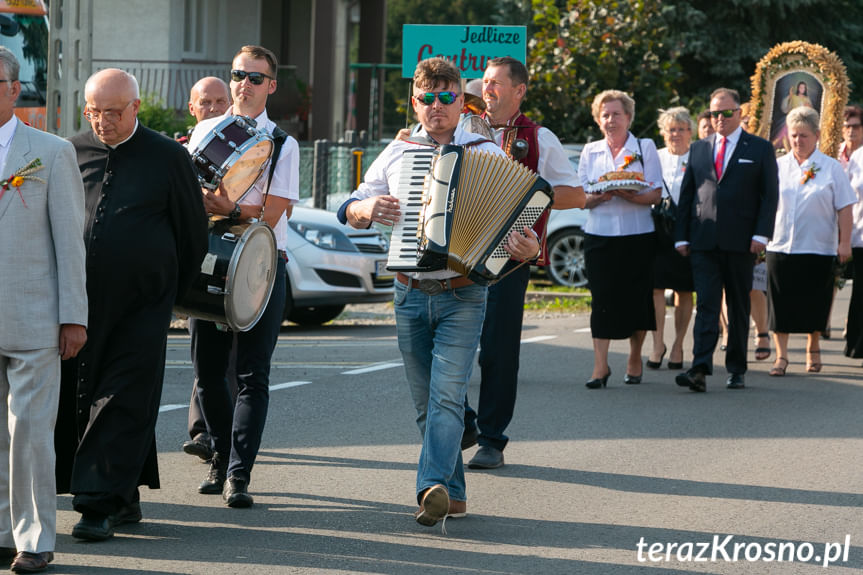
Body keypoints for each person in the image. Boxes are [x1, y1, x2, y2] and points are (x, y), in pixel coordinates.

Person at [338, 57, 537, 527]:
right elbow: (347, 206)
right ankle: (456, 494)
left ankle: (429, 487)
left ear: (460, 101)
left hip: (463, 294)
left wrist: (525, 248)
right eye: (427, 98)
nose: (437, 107)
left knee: (447, 398)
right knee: (428, 404)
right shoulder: (399, 149)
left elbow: (516, 226)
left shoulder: (485, 151)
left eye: (447, 97)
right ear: (415, 102)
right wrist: (366, 208)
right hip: (407, 291)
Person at [55, 68, 208, 541]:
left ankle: (96, 505)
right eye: (94, 112)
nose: (104, 121)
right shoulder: (70, 152)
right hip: (78, 305)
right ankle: (124, 496)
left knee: (121, 399)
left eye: (114, 112)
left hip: (142, 307)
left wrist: (166, 294)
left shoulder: (168, 156)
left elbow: (192, 235)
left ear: (136, 108)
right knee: (80, 399)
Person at [187, 45, 298, 508]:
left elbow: (271, 216)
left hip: (261, 266)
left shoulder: (283, 143)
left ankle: (239, 473)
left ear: (271, 85)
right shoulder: (203, 130)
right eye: (238, 75)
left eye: (255, 78)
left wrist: (229, 207)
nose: (244, 85)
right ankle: (218, 453)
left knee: (253, 374)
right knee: (209, 372)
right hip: (210, 258)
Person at [461, 57, 584, 470]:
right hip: (455, 254)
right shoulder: (460, 128)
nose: (488, 89)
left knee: (497, 352)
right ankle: (463, 421)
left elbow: (575, 195)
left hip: (507, 259)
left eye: (496, 83)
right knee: (439, 344)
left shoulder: (538, 137)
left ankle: (492, 439)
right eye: (485, 82)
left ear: (520, 91)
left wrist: (531, 197)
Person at [0, 46, 87, 574]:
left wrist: (73, 315)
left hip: (34, 314)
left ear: (13, 89)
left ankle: (35, 539)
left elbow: (70, 242)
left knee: (31, 433)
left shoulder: (49, 152)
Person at [674, 87, 779, 392]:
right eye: (714, 113)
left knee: (737, 306)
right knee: (706, 303)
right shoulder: (700, 148)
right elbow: (687, 195)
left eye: (726, 112)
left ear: (739, 113)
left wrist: (761, 234)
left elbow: (769, 196)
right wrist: (681, 236)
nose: (719, 118)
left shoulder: (758, 148)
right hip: (704, 241)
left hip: (742, 241)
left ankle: (736, 368)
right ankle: (700, 368)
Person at [579, 90, 662, 388]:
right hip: (599, 235)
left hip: (638, 235)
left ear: (628, 117)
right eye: (605, 115)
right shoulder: (591, 151)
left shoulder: (645, 147)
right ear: (598, 120)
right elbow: (581, 197)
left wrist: (630, 195)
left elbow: (654, 193)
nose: (611, 120)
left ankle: (635, 356)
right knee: (601, 298)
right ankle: (600, 366)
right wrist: (601, 196)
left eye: (616, 114)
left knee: (637, 299)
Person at [765, 107, 854, 376]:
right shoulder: (778, 166)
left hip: (817, 245)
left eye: (804, 135)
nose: (798, 141)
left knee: (815, 299)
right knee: (780, 301)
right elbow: (766, 203)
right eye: (793, 135)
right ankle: (781, 356)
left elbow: (845, 207)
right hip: (781, 244)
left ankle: (812, 350)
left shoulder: (830, 167)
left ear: (816, 135)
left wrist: (844, 242)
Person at [181, 76, 232, 463]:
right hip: (199, 259)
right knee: (205, 355)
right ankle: (204, 433)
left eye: (220, 102)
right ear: (192, 108)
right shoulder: (179, 152)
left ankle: (226, 440)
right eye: (206, 103)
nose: (213, 109)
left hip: (240, 260)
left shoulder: (244, 148)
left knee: (232, 361)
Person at [648, 107, 695, 371]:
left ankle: (678, 345)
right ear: (663, 133)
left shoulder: (698, 156)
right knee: (655, 287)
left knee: (684, 289)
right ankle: (658, 344)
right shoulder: (655, 156)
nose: (675, 134)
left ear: (690, 132)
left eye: (680, 129)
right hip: (657, 229)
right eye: (670, 129)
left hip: (686, 230)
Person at [844, 142, 863, 359]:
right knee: (860, 291)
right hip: (860, 235)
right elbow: (847, 196)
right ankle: (856, 344)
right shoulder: (858, 156)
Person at [838, 105, 863, 170]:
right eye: (847, 126)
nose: (851, 130)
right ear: (842, 129)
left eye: (855, 126)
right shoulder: (835, 152)